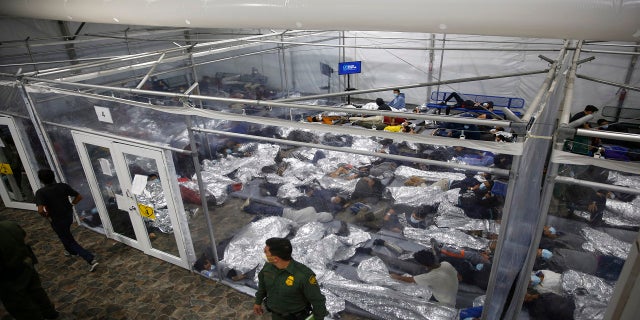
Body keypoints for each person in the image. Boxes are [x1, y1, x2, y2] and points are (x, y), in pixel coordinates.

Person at [34, 169, 99, 272]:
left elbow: (40, 210)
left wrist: (46, 216)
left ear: (41, 180)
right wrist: (71, 205)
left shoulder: (40, 192)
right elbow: (79, 196)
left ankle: (90, 258)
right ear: (53, 176)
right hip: (68, 215)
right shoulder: (63, 186)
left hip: (56, 219)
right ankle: (70, 251)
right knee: (64, 234)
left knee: (68, 239)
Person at [253, 237, 329, 320]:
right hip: (276, 315)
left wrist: (318, 318)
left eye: (265, 252)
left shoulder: (303, 275)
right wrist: (258, 302)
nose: (264, 254)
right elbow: (262, 286)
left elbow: (318, 301)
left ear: (275, 259)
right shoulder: (268, 266)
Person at [0, 220, 59, 320]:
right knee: (38, 293)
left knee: (23, 308)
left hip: (9, 279)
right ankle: (50, 313)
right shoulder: (8, 225)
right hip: (26, 267)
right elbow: (23, 237)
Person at [390, 249, 459, 307]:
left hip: (445, 304)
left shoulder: (430, 277)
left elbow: (407, 280)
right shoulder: (446, 264)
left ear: (423, 265)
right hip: (452, 296)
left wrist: (393, 276)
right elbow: (458, 276)